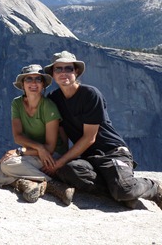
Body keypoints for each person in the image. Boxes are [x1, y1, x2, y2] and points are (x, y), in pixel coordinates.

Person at [43, 50, 162, 209]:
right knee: (67, 171)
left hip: (112, 152)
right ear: (52, 73)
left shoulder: (90, 94)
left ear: (76, 71)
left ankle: (153, 187)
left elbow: (89, 138)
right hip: (89, 158)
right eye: (58, 69)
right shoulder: (54, 99)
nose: (63, 73)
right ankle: (119, 192)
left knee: (123, 189)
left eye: (68, 68)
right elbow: (61, 133)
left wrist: (58, 162)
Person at [0, 64, 75, 205]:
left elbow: (50, 148)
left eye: (38, 79)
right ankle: (27, 183)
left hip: (52, 156)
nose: (33, 83)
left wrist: (20, 151)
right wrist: (38, 148)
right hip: (37, 153)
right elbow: (18, 136)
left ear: (43, 84)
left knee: (7, 165)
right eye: (29, 79)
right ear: (22, 84)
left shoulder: (48, 106)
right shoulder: (17, 104)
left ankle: (53, 185)